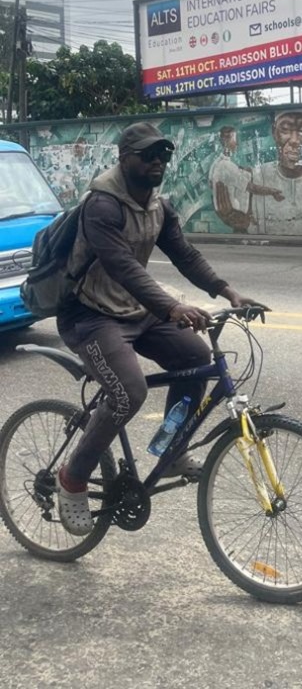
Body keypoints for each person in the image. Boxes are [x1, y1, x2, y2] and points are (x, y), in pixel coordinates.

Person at [55, 121, 262, 537]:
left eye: (163, 155)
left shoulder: (158, 207)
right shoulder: (102, 205)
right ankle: (72, 479)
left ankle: (172, 447)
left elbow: (184, 255)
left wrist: (226, 291)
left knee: (195, 357)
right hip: (90, 315)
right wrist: (170, 306)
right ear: (124, 158)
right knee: (128, 392)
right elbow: (122, 266)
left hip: (135, 310)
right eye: (148, 155)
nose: (157, 162)